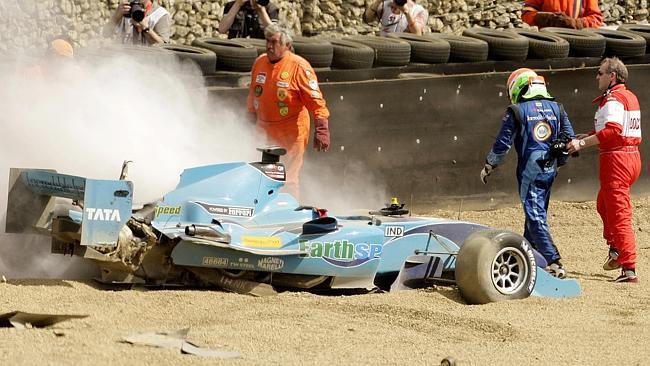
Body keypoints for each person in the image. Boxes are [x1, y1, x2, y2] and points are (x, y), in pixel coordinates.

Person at [480, 68, 575, 278]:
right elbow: (570, 139)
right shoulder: (557, 108)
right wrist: (560, 162)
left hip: (530, 170)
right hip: (550, 169)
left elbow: (502, 145)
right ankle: (529, 257)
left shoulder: (516, 110)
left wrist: (489, 165)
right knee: (534, 214)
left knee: (534, 216)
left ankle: (554, 261)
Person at [567, 57, 642, 283]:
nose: (596, 76)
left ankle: (628, 267)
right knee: (604, 204)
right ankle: (616, 249)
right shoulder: (627, 96)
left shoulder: (613, 100)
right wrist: (587, 136)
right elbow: (611, 129)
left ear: (612, 76)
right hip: (630, 158)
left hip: (617, 161)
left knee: (619, 213)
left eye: (600, 73)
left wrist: (580, 144)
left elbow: (611, 132)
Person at [247, 24, 330, 199]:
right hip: (264, 128)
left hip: (291, 130)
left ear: (287, 45)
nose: (269, 46)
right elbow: (253, 93)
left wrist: (322, 127)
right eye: (267, 41)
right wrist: (250, 117)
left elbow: (316, 100)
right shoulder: (259, 62)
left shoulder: (299, 67)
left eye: (274, 42)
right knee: (260, 175)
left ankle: (288, 211)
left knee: (287, 178)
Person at [103, 0, 170, 45]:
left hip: (148, 62)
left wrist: (145, 28)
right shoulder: (125, 9)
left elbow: (163, 46)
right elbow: (106, 34)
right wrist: (116, 16)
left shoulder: (160, 14)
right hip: (121, 59)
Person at [522, 0, 603, 29]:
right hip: (547, 40)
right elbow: (527, 13)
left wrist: (576, 23)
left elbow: (596, 18)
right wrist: (545, 18)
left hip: (576, 40)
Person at [363, 0, 429, 36]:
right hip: (384, 47)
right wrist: (378, 1)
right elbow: (368, 19)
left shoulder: (419, 10)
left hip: (404, 51)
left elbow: (417, 34)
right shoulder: (386, 4)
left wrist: (406, 12)